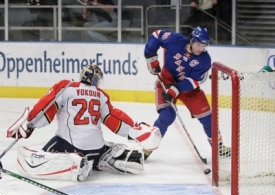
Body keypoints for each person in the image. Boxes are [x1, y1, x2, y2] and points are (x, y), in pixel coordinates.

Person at [7, 65, 162, 181]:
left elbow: (46, 107)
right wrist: (137, 131)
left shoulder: (66, 87)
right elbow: (114, 119)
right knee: (99, 143)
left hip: (70, 147)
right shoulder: (101, 95)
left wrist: (30, 124)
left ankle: (76, 164)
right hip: (96, 149)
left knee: (42, 155)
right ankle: (105, 157)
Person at [143, 26, 230, 160]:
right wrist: (150, 56)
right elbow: (156, 35)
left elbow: (194, 81)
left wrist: (175, 90)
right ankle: (147, 147)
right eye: (198, 44)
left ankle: (219, 147)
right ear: (191, 40)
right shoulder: (175, 40)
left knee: (208, 119)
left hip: (189, 90)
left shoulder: (205, 60)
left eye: (204, 46)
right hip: (166, 81)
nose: (200, 49)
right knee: (167, 116)